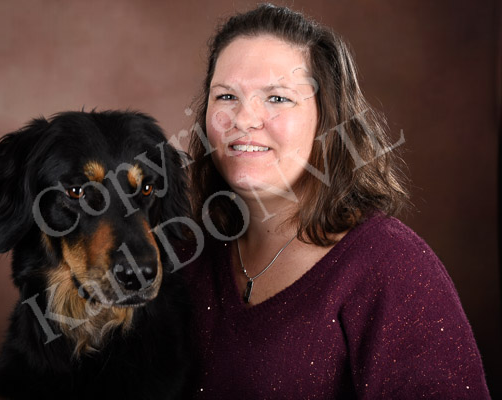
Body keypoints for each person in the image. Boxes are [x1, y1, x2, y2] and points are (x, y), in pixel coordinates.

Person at [181, 4, 491, 398]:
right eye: (226, 96)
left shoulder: (393, 267)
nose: (243, 119)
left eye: (277, 98)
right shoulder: (183, 256)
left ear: (328, 118)